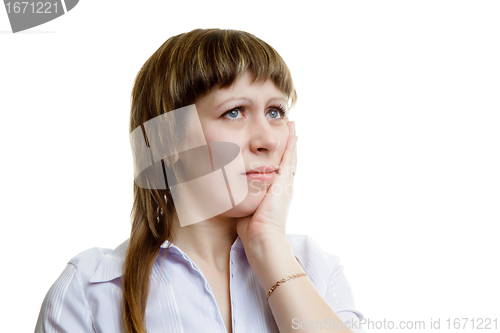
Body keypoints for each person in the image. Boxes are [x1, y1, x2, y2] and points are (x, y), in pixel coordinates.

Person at [35, 28, 364, 333]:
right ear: (167, 140)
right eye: (234, 112)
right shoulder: (90, 289)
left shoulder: (317, 269)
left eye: (276, 111)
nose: (269, 140)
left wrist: (269, 245)